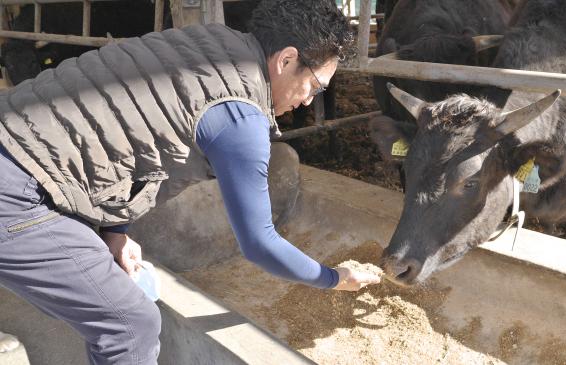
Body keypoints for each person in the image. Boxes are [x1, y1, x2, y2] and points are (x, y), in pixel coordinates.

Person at [0, 0, 381, 363]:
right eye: (315, 87)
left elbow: (136, 141)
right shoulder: (241, 117)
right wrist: (333, 278)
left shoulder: (211, 43)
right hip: (15, 190)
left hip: (21, 148)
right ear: (286, 60)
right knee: (131, 325)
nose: (309, 102)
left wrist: (115, 231)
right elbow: (260, 243)